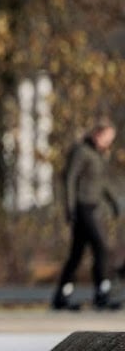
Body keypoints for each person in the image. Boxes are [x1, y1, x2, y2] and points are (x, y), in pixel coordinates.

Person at [53, 119, 122, 311]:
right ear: (98, 134)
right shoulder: (81, 151)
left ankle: (61, 295)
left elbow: (102, 183)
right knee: (101, 247)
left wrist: (113, 201)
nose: (109, 143)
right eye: (108, 138)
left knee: (77, 254)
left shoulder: (99, 155)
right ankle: (102, 293)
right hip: (82, 207)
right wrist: (70, 208)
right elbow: (70, 179)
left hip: (94, 206)